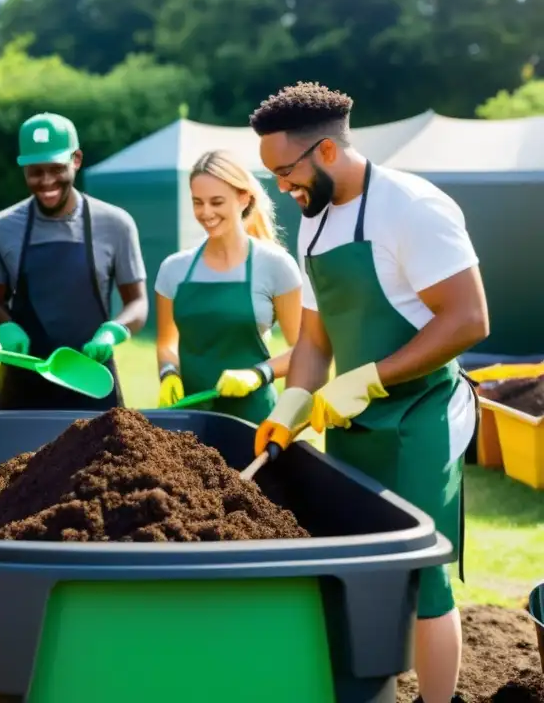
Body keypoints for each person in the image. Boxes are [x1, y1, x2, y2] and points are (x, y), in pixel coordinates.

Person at [250, 82, 487, 703]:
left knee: (424, 578)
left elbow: (466, 320)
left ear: (325, 150)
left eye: (285, 171)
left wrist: (376, 378)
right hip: (352, 422)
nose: (280, 187)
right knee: (357, 563)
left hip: (421, 416)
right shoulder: (313, 223)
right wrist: (292, 403)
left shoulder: (412, 207)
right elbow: (315, 339)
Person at [0, 112, 149, 410]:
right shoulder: (1, 227)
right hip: (23, 385)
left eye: (56, 168)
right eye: (35, 171)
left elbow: (137, 303)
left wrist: (114, 331)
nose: (46, 181)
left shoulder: (115, 224)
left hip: (92, 382)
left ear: (77, 160)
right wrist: (5, 325)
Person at [154, 150, 302, 423]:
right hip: (189, 422)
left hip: (253, 421)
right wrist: (168, 373)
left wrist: (258, 373)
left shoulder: (275, 265)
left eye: (216, 202)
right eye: (198, 202)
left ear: (243, 198)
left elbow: (305, 350)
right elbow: (166, 342)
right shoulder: (173, 269)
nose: (206, 213)